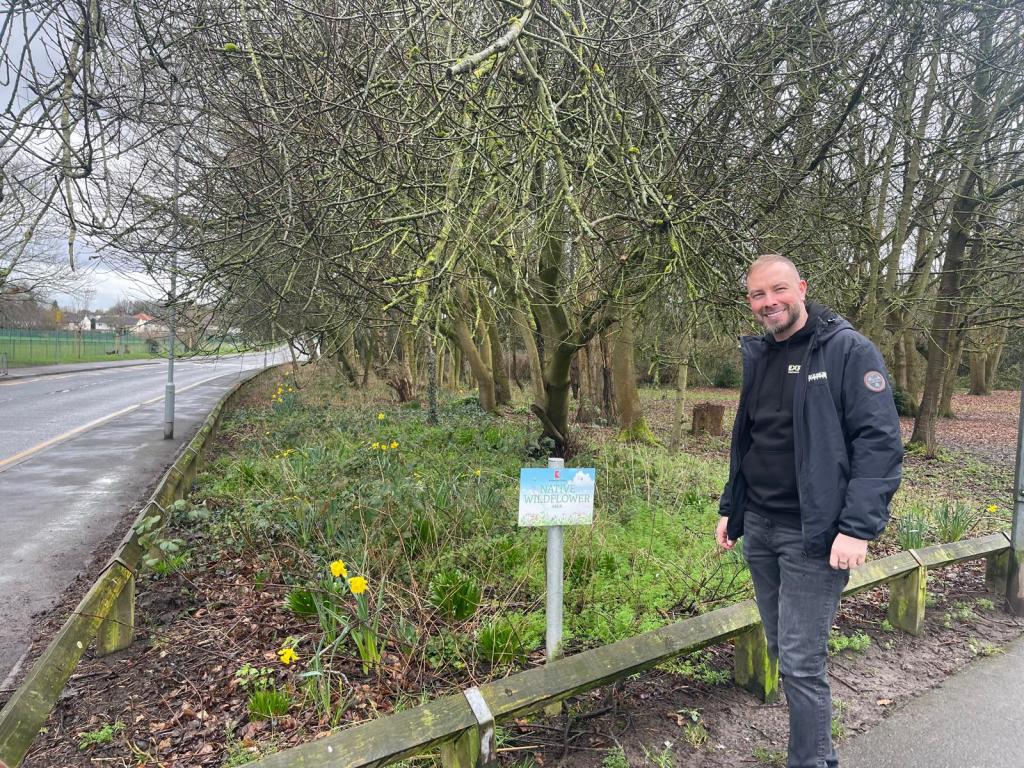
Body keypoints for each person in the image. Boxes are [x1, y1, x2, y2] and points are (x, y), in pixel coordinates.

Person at [716, 254, 902, 768]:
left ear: (801, 287)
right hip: (761, 528)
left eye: (778, 289)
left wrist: (857, 529)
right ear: (750, 301)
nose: (769, 302)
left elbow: (879, 445)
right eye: (758, 294)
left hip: (813, 535)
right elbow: (750, 441)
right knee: (784, 650)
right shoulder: (761, 354)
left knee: (800, 662)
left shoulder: (847, 350)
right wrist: (733, 510)